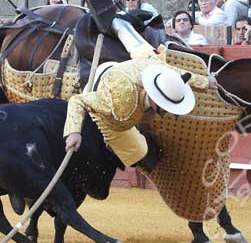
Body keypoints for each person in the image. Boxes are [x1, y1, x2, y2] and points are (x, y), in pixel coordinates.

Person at [63, 55, 218, 169]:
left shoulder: (157, 71)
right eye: (165, 105)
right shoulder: (120, 104)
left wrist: (204, 81)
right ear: (154, 97)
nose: (168, 111)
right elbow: (78, 100)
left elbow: (176, 75)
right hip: (108, 102)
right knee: (138, 151)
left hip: (124, 71)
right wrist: (73, 132)